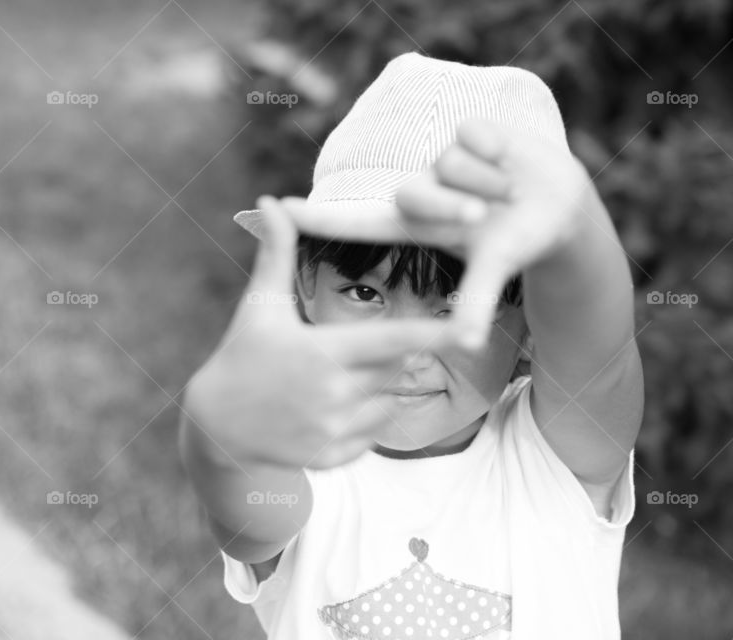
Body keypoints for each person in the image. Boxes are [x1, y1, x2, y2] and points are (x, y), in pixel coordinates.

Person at [178, 51, 643, 639]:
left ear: (532, 324)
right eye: (365, 292)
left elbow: (598, 355)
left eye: (457, 304)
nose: (405, 352)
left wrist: (575, 233)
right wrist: (224, 440)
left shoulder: (556, 461)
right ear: (305, 287)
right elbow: (250, 511)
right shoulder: (305, 466)